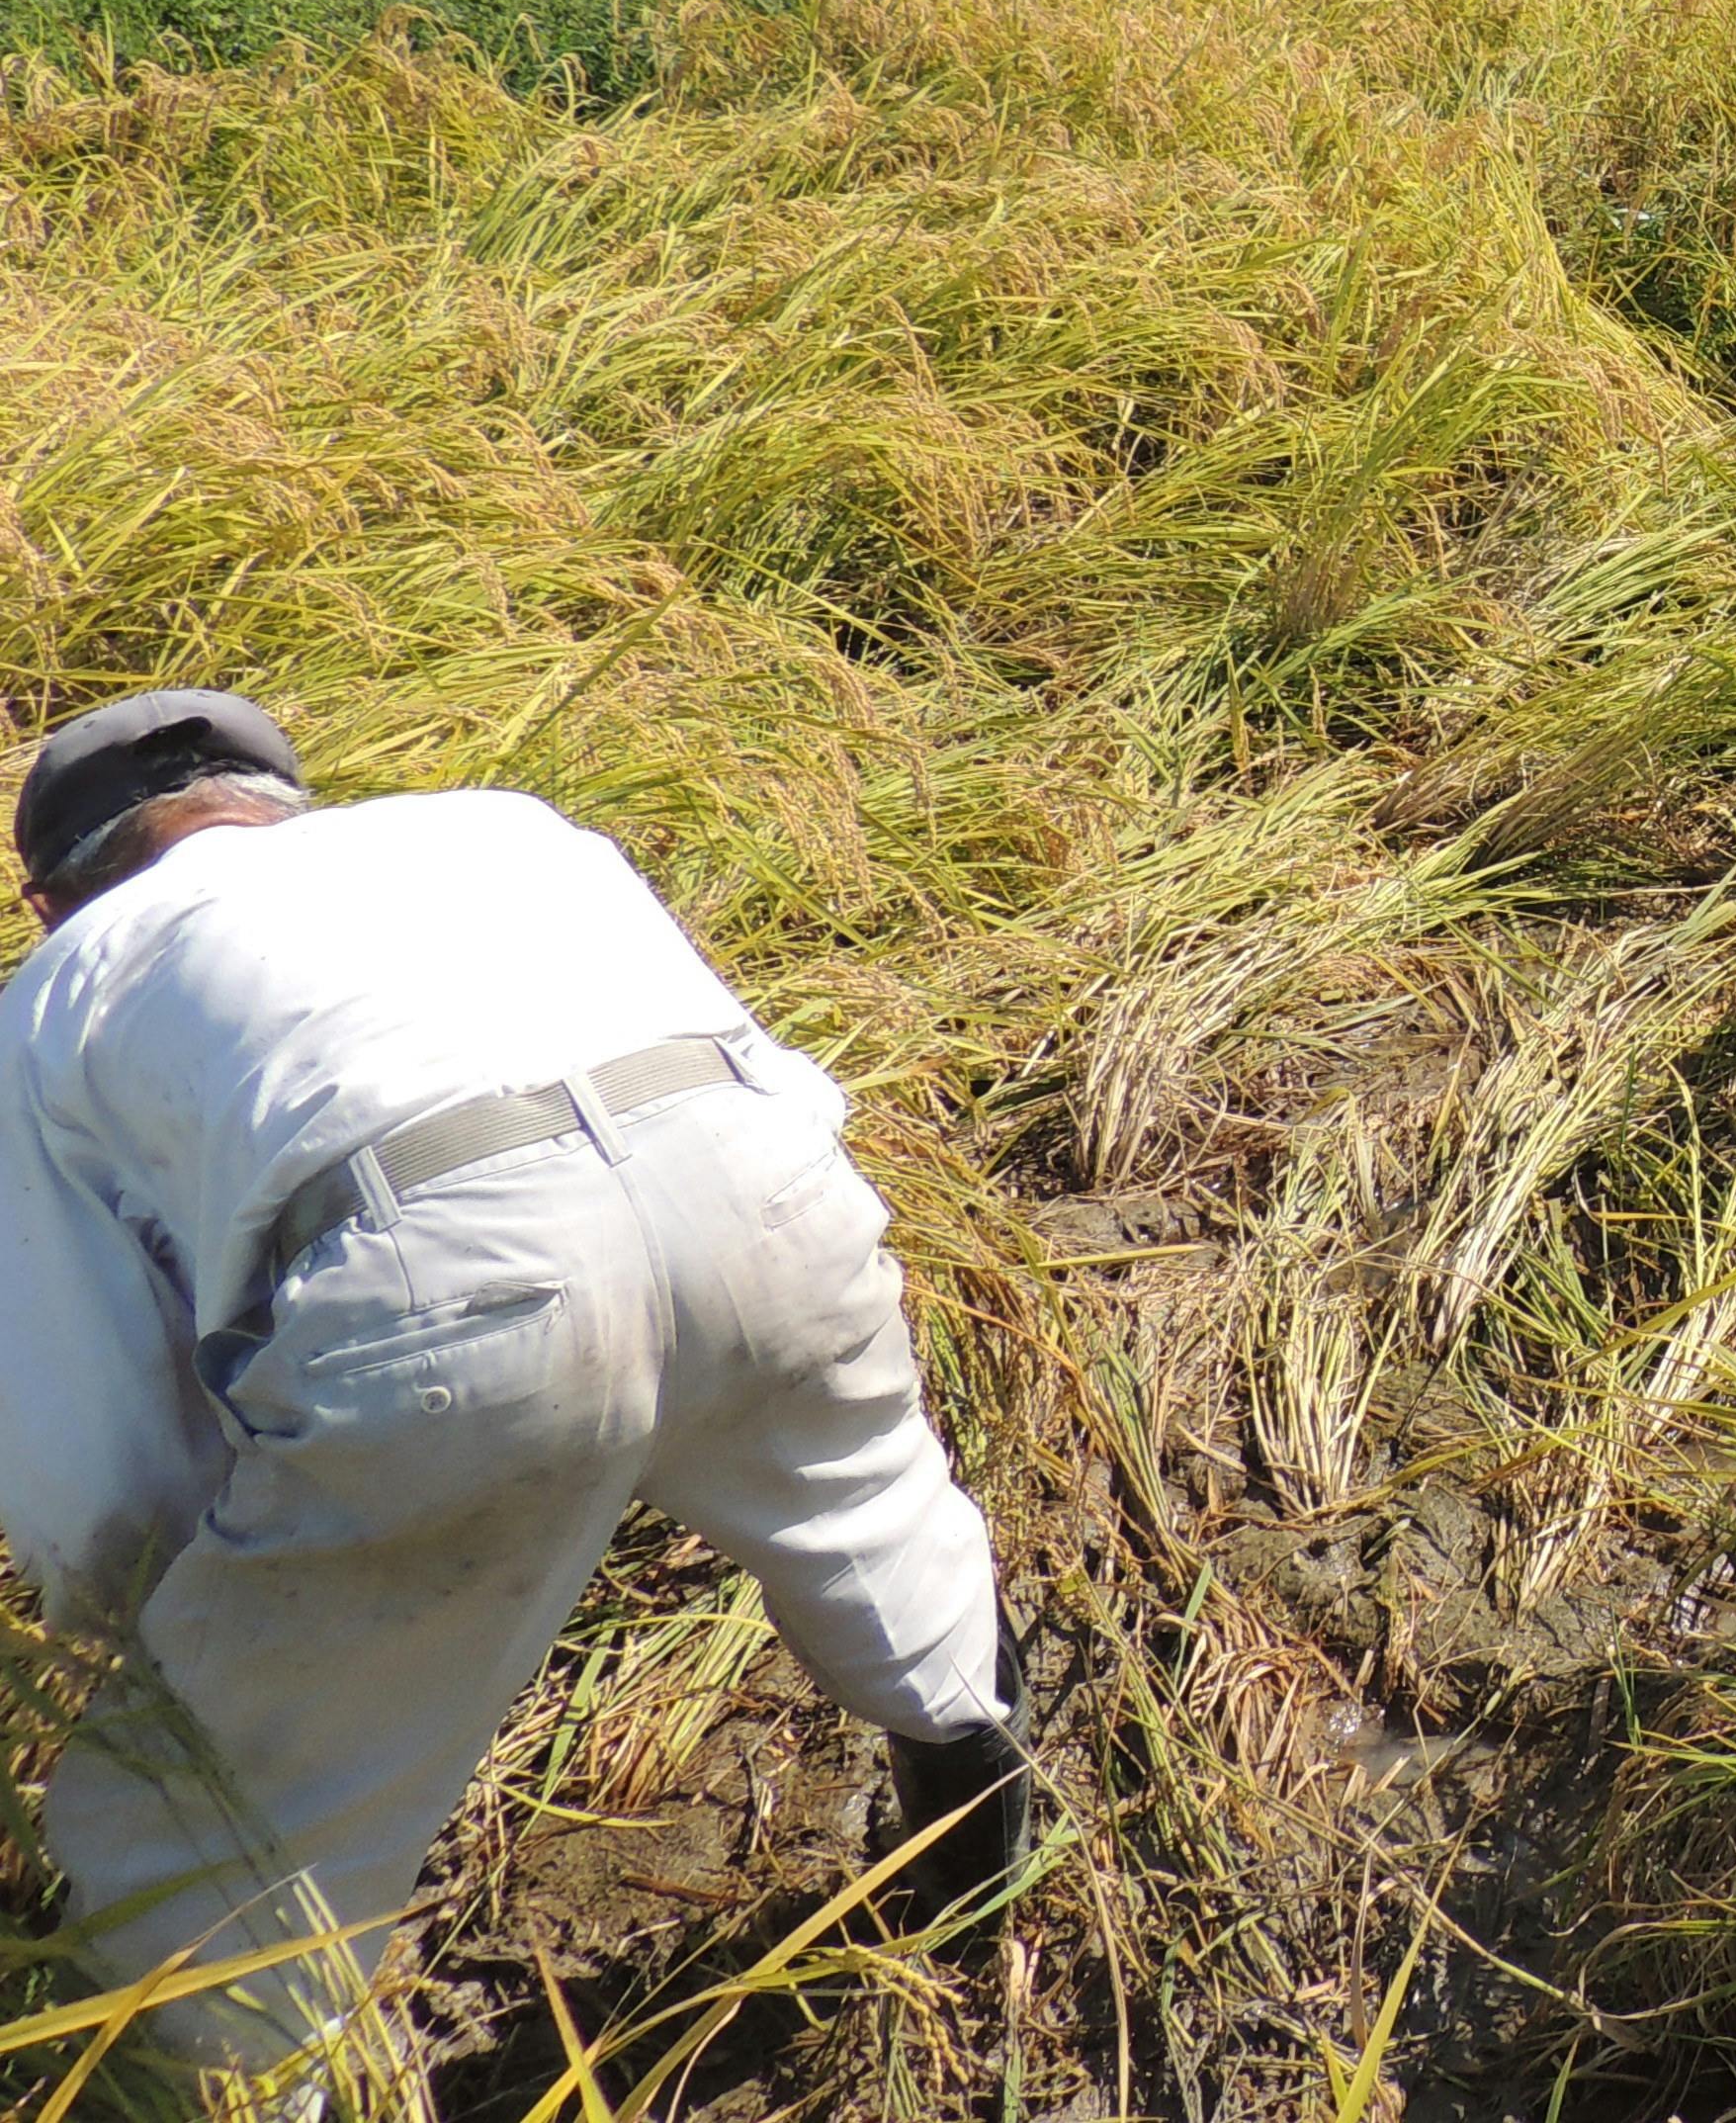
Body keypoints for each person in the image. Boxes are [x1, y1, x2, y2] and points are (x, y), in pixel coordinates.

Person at [0, 691, 1032, 2093]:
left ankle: (223, 2081)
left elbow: (101, 1433)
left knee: (220, 1820)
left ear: (54, 893)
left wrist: (165, 1647)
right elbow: (765, 1075)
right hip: (768, 1192)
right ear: (283, 805)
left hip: (450, 1293)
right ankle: (980, 1876)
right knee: (872, 1513)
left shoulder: (66, 986)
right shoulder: (504, 828)